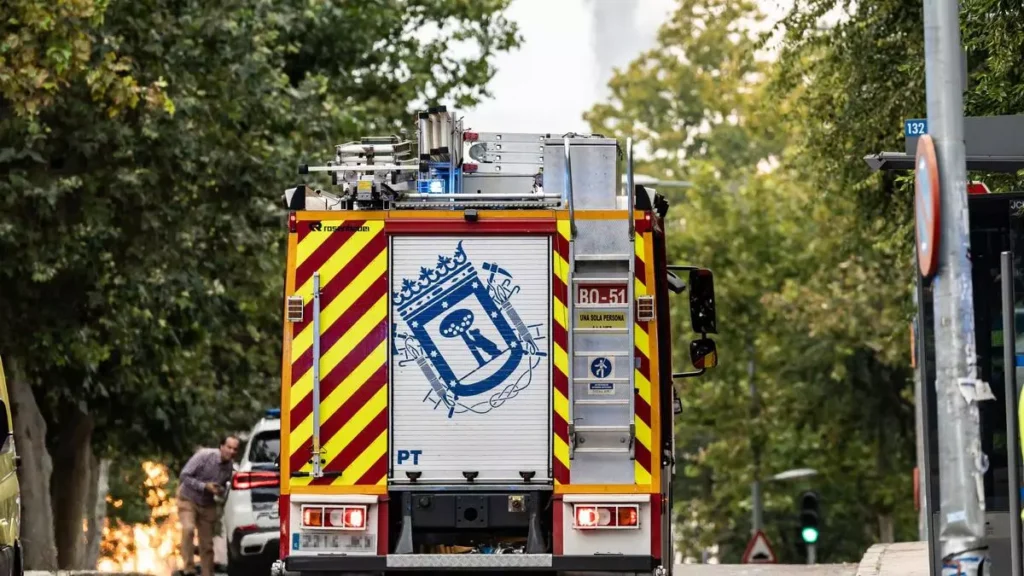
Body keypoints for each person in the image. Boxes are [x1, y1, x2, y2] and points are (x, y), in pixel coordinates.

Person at [177, 435, 239, 576]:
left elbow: (222, 488)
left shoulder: (229, 467)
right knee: (188, 529)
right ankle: (189, 568)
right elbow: (184, 476)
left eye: (235, 449)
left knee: (207, 543)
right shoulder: (204, 456)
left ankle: (207, 573)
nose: (231, 451)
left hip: (207, 503)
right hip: (188, 499)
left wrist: (220, 490)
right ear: (221, 447)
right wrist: (204, 486)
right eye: (229, 447)